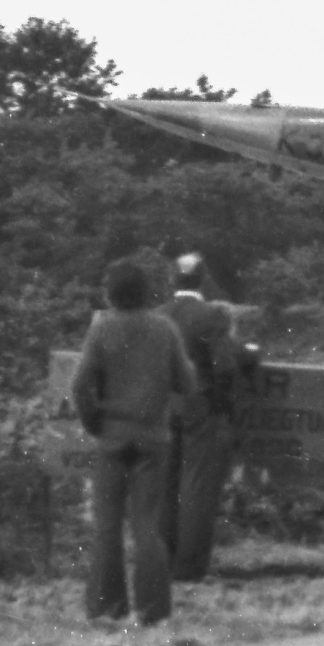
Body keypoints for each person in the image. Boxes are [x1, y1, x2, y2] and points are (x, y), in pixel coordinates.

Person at [72, 259, 197, 626]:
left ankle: (106, 609)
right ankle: (153, 612)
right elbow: (187, 384)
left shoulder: (103, 329)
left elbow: (80, 386)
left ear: (111, 293)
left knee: (107, 526)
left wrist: (95, 422)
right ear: (146, 291)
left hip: (111, 437)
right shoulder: (164, 328)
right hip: (153, 439)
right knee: (148, 527)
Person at [159, 252, 254, 581]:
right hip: (201, 405)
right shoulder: (211, 315)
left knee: (165, 487)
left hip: (161, 407)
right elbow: (225, 365)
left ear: (172, 279)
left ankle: (163, 563)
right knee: (197, 487)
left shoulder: (157, 316)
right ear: (202, 280)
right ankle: (189, 570)